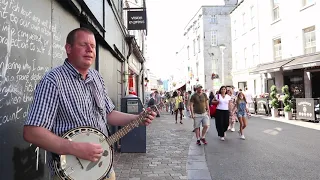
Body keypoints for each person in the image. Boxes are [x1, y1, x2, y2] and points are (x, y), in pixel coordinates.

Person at [23, 28, 156, 180]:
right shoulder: (53, 81)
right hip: (71, 174)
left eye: (92, 46)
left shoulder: (96, 77)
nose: (89, 50)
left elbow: (108, 113)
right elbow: (32, 132)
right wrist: (75, 148)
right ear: (69, 48)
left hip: (104, 169)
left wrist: (135, 119)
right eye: (83, 45)